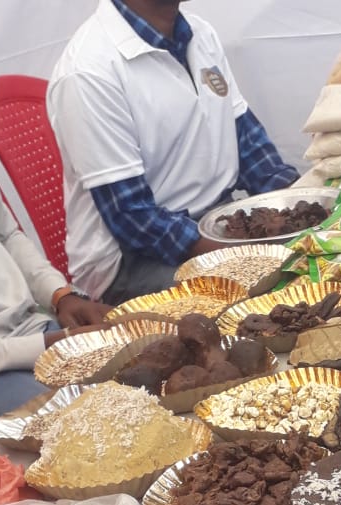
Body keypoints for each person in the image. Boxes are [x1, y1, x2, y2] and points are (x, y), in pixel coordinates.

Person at [47, 0, 299, 306]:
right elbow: (133, 218)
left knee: (322, 258)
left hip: (215, 222)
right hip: (129, 263)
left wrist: (303, 209)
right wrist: (251, 256)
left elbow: (250, 148)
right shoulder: (88, 72)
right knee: (283, 288)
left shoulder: (199, 33)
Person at [0, 126, 111, 451]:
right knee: (88, 438)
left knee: (161, 379)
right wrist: (43, 345)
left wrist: (61, 295)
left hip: (36, 328)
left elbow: (4, 232)